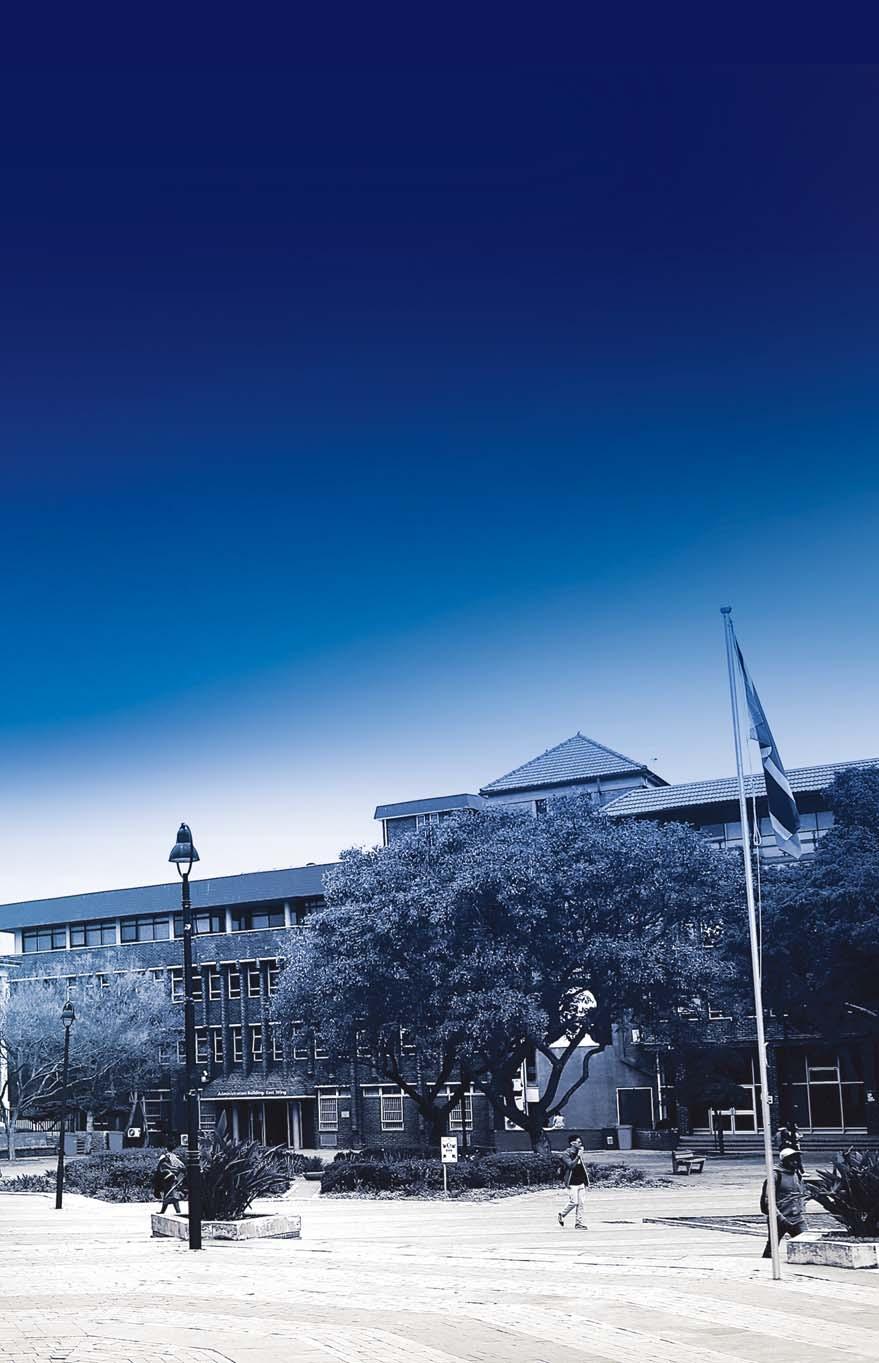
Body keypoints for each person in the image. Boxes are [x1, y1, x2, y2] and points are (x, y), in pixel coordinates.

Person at [760, 1146, 808, 1259]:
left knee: (806, 1241)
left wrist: (801, 1209)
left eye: (796, 1160)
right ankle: (765, 1265)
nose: (795, 1162)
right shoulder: (775, 1175)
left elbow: (801, 1193)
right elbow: (768, 1199)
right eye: (792, 1160)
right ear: (784, 1161)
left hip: (797, 1218)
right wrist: (780, 1218)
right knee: (772, 1247)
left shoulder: (797, 1174)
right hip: (779, 1218)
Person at [557, 1136, 590, 1230]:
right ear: (572, 1143)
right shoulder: (566, 1154)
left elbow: (582, 1168)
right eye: (578, 1142)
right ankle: (562, 1214)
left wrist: (586, 1181)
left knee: (581, 1204)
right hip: (571, 1182)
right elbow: (571, 1165)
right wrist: (578, 1156)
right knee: (574, 1202)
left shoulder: (578, 1152)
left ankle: (579, 1223)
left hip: (581, 1181)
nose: (580, 1144)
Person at [154, 1147, 185, 1215]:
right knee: (170, 1197)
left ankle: (175, 1211)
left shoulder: (166, 1164)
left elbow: (174, 1169)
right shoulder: (164, 1165)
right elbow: (170, 1170)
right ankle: (176, 1211)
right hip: (168, 1183)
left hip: (171, 1183)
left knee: (171, 1197)